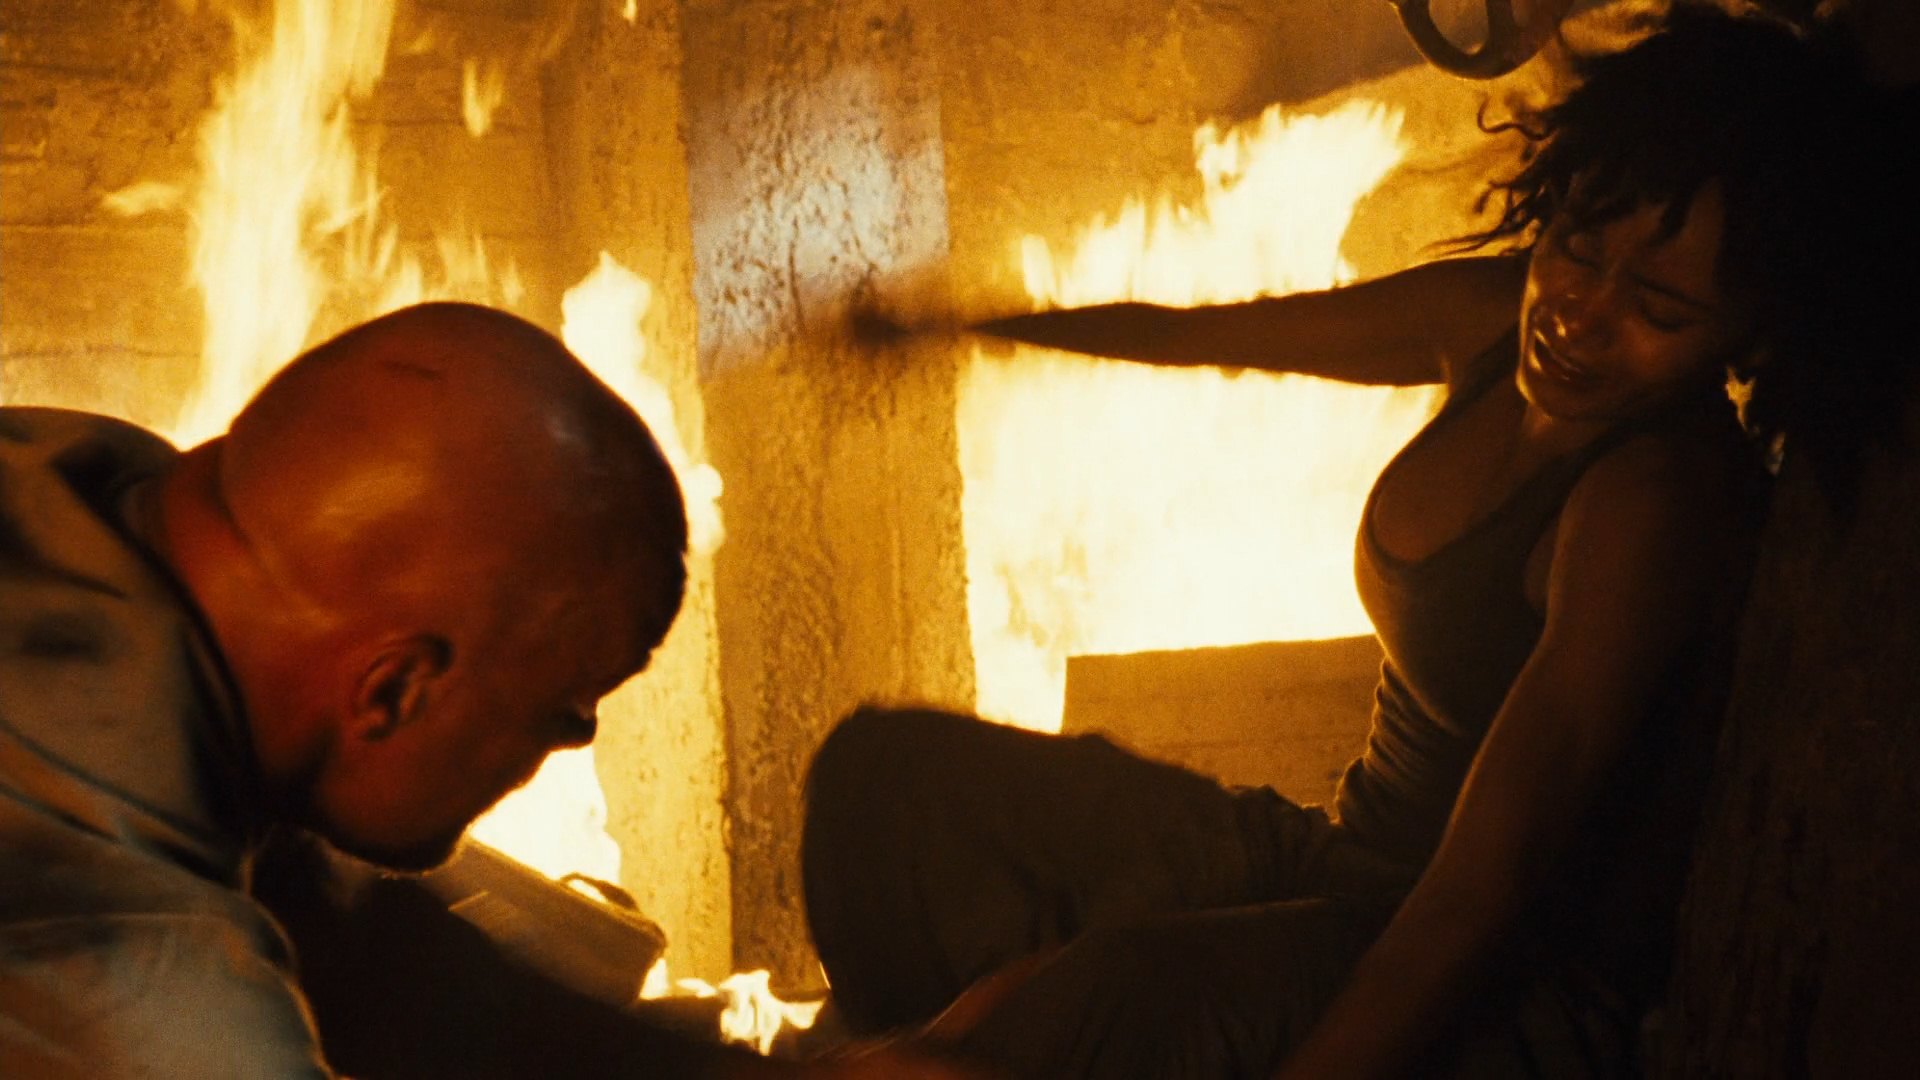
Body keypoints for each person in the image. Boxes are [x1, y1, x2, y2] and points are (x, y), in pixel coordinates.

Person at [802, 6, 1896, 1078]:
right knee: (890, 791)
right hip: (1344, 864)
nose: (1581, 311)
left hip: (1497, 980)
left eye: (1658, 308)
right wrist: (960, 326)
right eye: (1578, 245)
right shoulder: (1491, 319)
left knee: (1093, 1002)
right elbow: (1216, 336)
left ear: (1749, 330)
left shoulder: (1649, 500)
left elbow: (1480, 893)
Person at [0, 302, 983, 1079]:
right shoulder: (138, 986)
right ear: (392, 691)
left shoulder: (83, 489)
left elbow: (358, 942)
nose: (577, 739)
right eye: (559, 714)